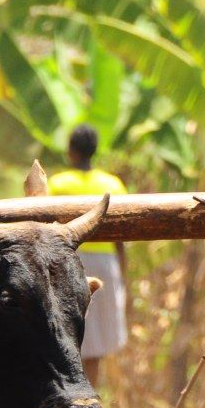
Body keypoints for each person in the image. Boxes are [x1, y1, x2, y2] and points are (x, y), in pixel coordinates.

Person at [47, 125, 129, 387]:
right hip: (105, 264)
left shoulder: (58, 184)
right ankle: (90, 394)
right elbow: (122, 236)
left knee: (68, 332)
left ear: (71, 151)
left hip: (67, 261)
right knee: (96, 341)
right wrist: (124, 275)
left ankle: (71, 394)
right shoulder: (112, 184)